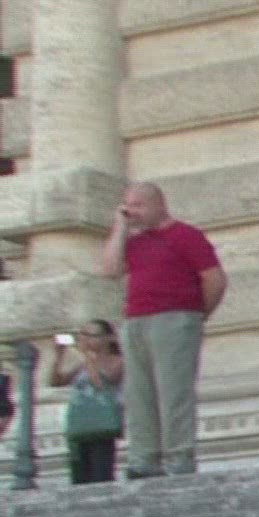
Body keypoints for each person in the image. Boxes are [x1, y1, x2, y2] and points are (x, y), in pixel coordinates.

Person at [98, 182, 225, 478]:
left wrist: (196, 315)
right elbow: (109, 270)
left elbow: (215, 279)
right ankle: (144, 458)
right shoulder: (134, 241)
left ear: (159, 204)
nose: (132, 211)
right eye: (128, 205)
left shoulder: (186, 235)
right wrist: (120, 227)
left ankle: (179, 457)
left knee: (173, 391)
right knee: (138, 392)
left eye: (138, 205)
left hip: (175, 318)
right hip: (136, 320)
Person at [48, 320, 125, 485]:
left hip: (102, 424)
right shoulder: (83, 363)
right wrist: (59, 356)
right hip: (80, 422)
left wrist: (89, 356)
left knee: (100, 473)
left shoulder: (117, 360)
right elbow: (56, 381)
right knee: (79, 475)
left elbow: (101, 383)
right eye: (83, 335)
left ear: (108, 338)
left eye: (91, 335)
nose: (85, 339)